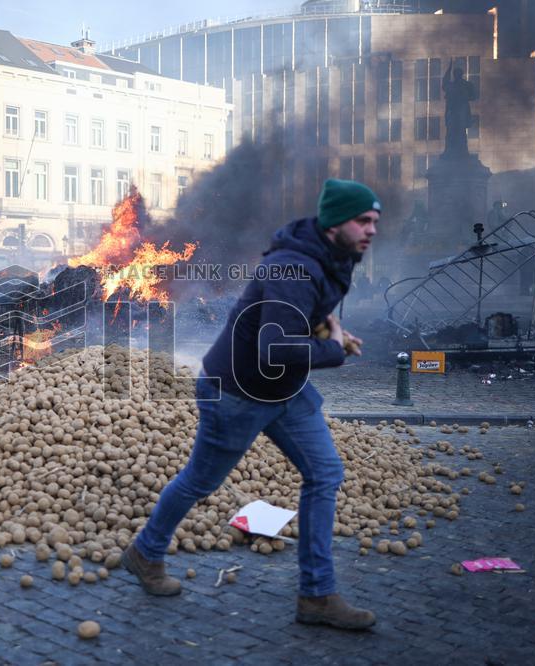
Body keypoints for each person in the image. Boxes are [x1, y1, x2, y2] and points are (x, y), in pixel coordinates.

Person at [123, 179, 381, 631]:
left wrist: (328, 328)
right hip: (236, 393)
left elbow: (311, 307)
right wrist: (334, 350)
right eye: (363, 220)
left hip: (284, 391)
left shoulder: (328, 255)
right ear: (335, 221)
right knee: (200, 482)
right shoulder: (293, 266)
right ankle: (145, 552)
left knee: (324, 473)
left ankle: (317, 595)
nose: (372, 229)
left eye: (375, 220)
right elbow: (274, 349)